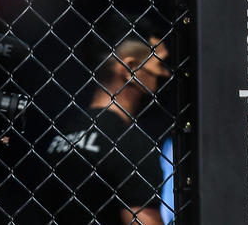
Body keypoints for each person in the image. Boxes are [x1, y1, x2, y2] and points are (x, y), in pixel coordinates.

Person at [33, 33, 170, 224]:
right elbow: (143, 218)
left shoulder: (61, 137)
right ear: (131, 69)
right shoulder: (131, 144)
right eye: (160, 65)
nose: (166, 75)